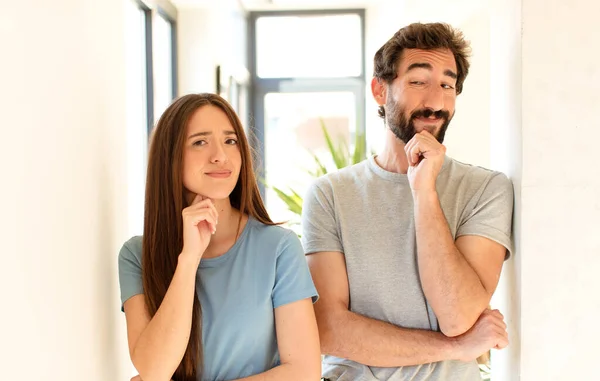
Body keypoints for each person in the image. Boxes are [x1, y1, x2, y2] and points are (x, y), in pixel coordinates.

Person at [302, 22, 514, 381]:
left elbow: (458, 315)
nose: (435, 101)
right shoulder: (329, 195)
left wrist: (424, 191)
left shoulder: (486, 189)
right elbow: (329, 328)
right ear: (380, 90)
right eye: (418, 82)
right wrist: (455, 348)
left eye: (448, 85)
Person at [118, 93, 321, 381]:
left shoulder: (279, 248)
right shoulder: (136, 255)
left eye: (230, 141)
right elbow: (154, 370)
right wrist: (188, 259)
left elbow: (303, 372)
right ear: (170, 156)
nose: (220, 156)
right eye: (200, 142)